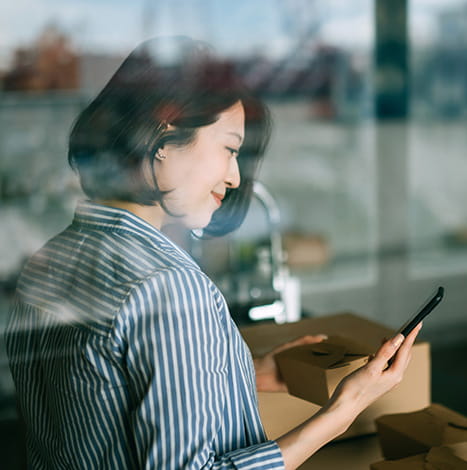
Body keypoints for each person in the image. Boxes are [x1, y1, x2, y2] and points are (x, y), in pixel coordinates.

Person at [5, 36, 421, 470]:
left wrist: (238, 372)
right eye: (229, 149)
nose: (236, 176)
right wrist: (343, 411)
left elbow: (90, 406)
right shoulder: (169, 289)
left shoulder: (47, 262)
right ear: (163, 137)